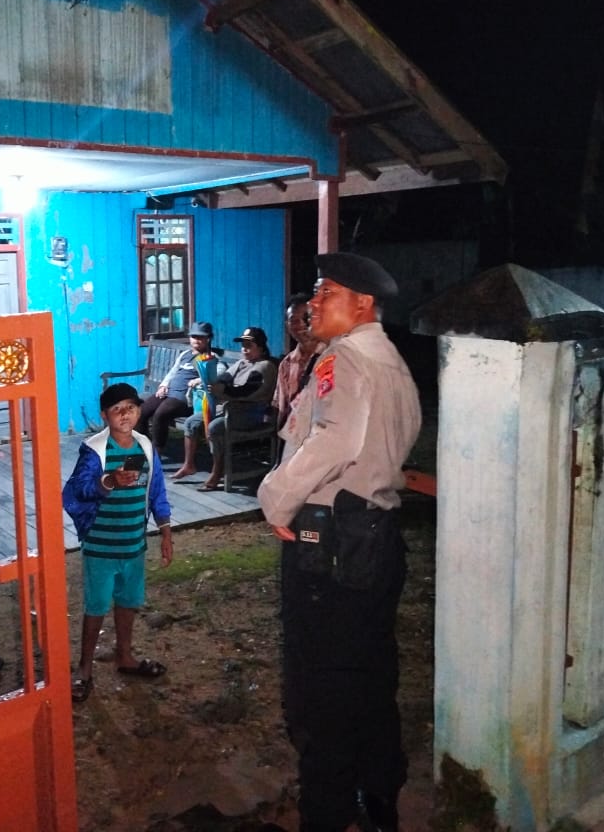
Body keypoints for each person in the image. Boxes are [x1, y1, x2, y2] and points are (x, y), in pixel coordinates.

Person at [258, 253, 422, 832]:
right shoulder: (391, 361)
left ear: (362, 304)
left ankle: (325, 814)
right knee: (370, 674)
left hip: (331, 544)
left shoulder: (345, 358)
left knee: (320, 689)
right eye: (314, 291)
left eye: (325, 292)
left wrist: (276, 497)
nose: (313, 303)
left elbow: (335, 439)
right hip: (375, 536)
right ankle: (379, 797)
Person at [63, 382, 174, 703]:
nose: (125, 414)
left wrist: (165, 532)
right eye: (117, 409)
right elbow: (77, 489)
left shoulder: (144, 447)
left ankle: (125, 656)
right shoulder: (95, 450)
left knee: (128, 601)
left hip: (133, 545)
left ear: (139, 411)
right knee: (96, 606)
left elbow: (156, 492)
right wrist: (109, 480)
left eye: (131, 408)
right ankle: (84, 668)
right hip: (101, 546)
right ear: (104, 415)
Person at [172, 326, 277, 492]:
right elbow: (225, 378)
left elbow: (244, 391)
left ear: (261, 347)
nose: (244, 349)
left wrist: (220, 390)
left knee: (214, 427)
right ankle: (189, 465)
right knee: (192, 422)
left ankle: (217, 471)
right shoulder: (242, 363)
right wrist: (211, 382)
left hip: (251, 412)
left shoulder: (264, 367)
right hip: (229, 408)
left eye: (249, 346)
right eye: (243, 345)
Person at [136, 321, 217, 452]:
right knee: (141, 412)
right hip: (169, 393)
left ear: (208, 339)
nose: (196, 340)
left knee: (160, 415)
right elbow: (172, 372)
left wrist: (199, 380)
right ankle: (144, 448)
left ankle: (157, 452)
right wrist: (163, 385)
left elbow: (219, 373)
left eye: (201, 337)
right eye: (194, 336)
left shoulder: (210, 357)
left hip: (184, 398)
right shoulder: (185, 355)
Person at [274, 293, 327, 430]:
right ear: (287, 326)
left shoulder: (334, 355)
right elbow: (282, 407)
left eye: (307, 318)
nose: (301, 325)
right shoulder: (286, 364)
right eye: (294, 320)